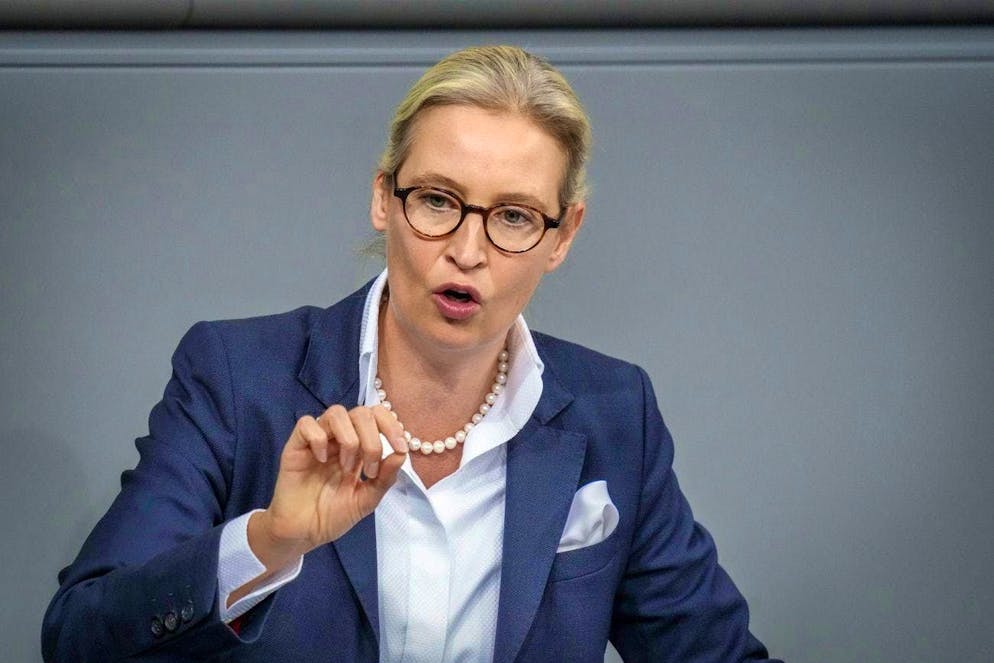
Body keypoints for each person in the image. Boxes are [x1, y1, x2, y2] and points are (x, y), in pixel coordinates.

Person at [42, 45, 780, 662]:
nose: (466, 250)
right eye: (436, 200)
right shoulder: (236, 379)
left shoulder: (616, 414)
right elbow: (77, 635)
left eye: (515, 216)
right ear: (383, 198)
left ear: (563, 235)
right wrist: (269, 542)